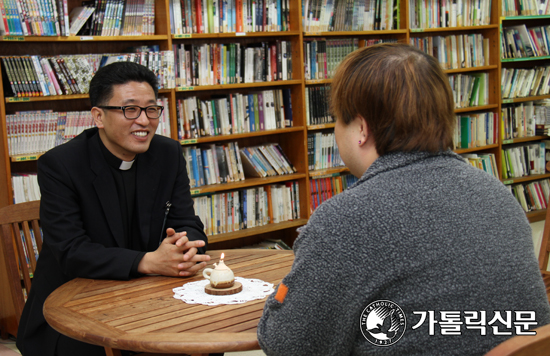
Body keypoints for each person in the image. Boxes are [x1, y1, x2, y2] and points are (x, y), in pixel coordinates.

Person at [257, 43, 550, 355]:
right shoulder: (497, 194)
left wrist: (282, 293)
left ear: (360, 128)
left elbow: (289, 344)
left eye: (336, 119)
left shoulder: (346, 219)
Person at [16, 61, 210, 356]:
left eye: (151, 109)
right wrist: (146, 262)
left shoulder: (167, 153)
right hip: (75, 306)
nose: (143, 121)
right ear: (98, 116)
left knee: (205, 334)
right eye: (129, 110)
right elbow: (71, 250)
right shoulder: (61, 165)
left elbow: (187, 221)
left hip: (149, 294)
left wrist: (183, 246)